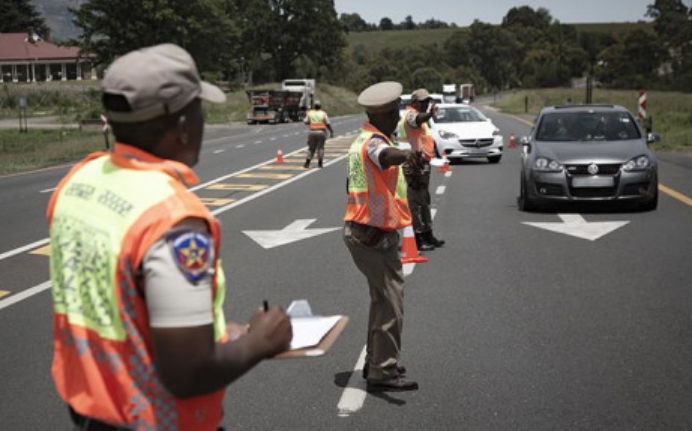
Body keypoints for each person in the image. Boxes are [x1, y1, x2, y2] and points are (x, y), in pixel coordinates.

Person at [46, 44, 292, 431]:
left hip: (93, 411)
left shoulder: (77, 183)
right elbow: (187, 374)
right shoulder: (174, 221)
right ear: (181, 127)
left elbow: (117, 299)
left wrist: (211, 332)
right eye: (198, 110)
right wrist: (261, 341)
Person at [343, 81, 419, 392]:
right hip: (371, 235)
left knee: (381, 301)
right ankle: (383, 371)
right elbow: (384, 155)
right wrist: (404, 154)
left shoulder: (362, 139)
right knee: (391, 303)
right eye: (396, 111)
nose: (399, 116)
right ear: (385, 114)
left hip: (368, 231)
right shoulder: (374, 142)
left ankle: (377, 360)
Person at [397, 88, 445, 251]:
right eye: (422, 102)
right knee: (416, 202)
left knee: (424, 201)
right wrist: (430, 114)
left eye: (427, 101)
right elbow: (418, 118)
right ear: (414, 102)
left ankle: (427, 234)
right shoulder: (411, 115)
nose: (425, 104)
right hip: (413, 164)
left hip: (422, 163)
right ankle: (417, 237)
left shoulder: (421, 118)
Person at [303, 100, 334, 168]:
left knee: (311, 148)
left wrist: (310, 122)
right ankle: (320, 163)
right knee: (320, 148)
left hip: (312, 132)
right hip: (321, 132)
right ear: (320, 106)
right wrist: (331, 131)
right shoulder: (323, 113)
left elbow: (305, 122)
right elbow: (327, 123)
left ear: (314, 106)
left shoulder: (310, 113)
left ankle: (307, 163)